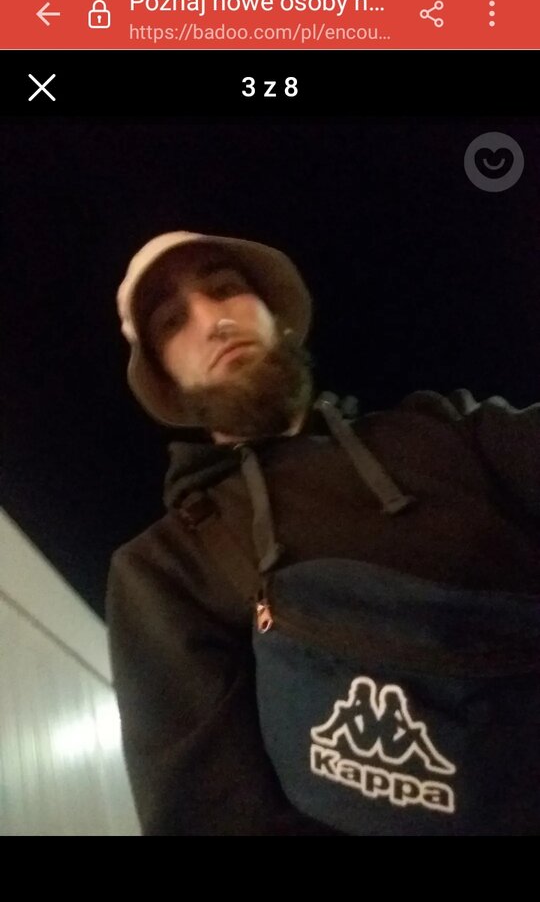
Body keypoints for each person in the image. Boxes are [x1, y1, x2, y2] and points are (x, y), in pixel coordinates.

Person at [107, 230, 540, 836]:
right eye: (172, 322)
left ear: (279, 320)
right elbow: (215, 816)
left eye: (225, 289)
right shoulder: (165, 567)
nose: (212, 321)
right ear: (169, 383)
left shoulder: (447, 429)